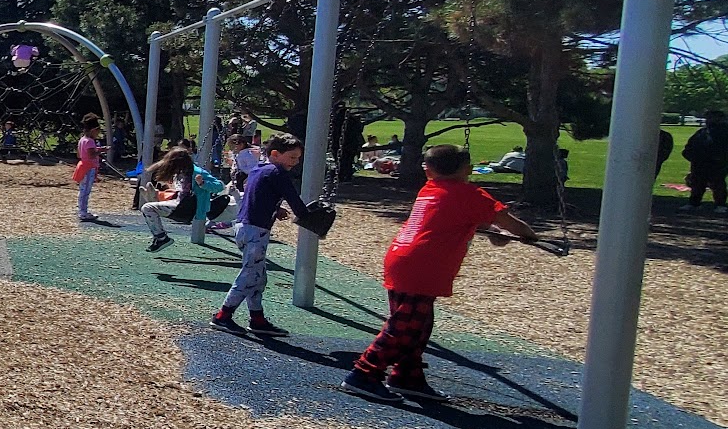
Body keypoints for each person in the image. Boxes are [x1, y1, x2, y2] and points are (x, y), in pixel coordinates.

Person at [344, 141, 538, 397]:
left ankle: (407, 375)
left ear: (428, 170)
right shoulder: (470, 194)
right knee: (404, 326)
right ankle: (364, 373)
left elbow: (460, 218)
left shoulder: (430, 189)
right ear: (467, 168)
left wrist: (494, 231)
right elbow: (509, 223)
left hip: (403, 258)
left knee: (418, 325)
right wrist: (529, 235)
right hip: (424, 266)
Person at [212, 133, 311, 336]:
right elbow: (294, 199)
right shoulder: (278, 172)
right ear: (275, 154)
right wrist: (309, 217)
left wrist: (275, 208)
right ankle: (223, 315)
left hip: (243, 227)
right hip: (256, 230)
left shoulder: (259, 170)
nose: (296, 162)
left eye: (298, 158)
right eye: (292, 157)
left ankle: (257, 319)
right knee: (249, 275)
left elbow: (256, 195)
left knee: (258, 277)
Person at [137, 148, 200, 250]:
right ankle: (156, 198)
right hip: (180, 204)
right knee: (152, 206)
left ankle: (161, 238)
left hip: (185, 208)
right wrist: (150, 169)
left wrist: (202, 183)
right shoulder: (182, 171)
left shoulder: (194, 172)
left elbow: (218, 186)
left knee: (147, 208)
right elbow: (162, 163)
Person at [687, 111, 727, 208]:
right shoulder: (702, 132)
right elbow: (690, 146)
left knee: (718, 184)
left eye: (711, 118)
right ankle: (694, 203)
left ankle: (720, 204)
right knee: (697, 183)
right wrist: (692, 156)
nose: (708, 120)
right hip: (700, 163)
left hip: (718, 163)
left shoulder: (724, 132)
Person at [73, 114, 103, 221]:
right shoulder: (90, 141)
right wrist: (101, 150)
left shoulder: (82, 139)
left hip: (83, 166)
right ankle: (83, 212)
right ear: (93, 130)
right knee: (85, 191)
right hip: (88, 168)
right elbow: (91, 155)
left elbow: (79, 154)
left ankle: (83, 210)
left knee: (83, 190)